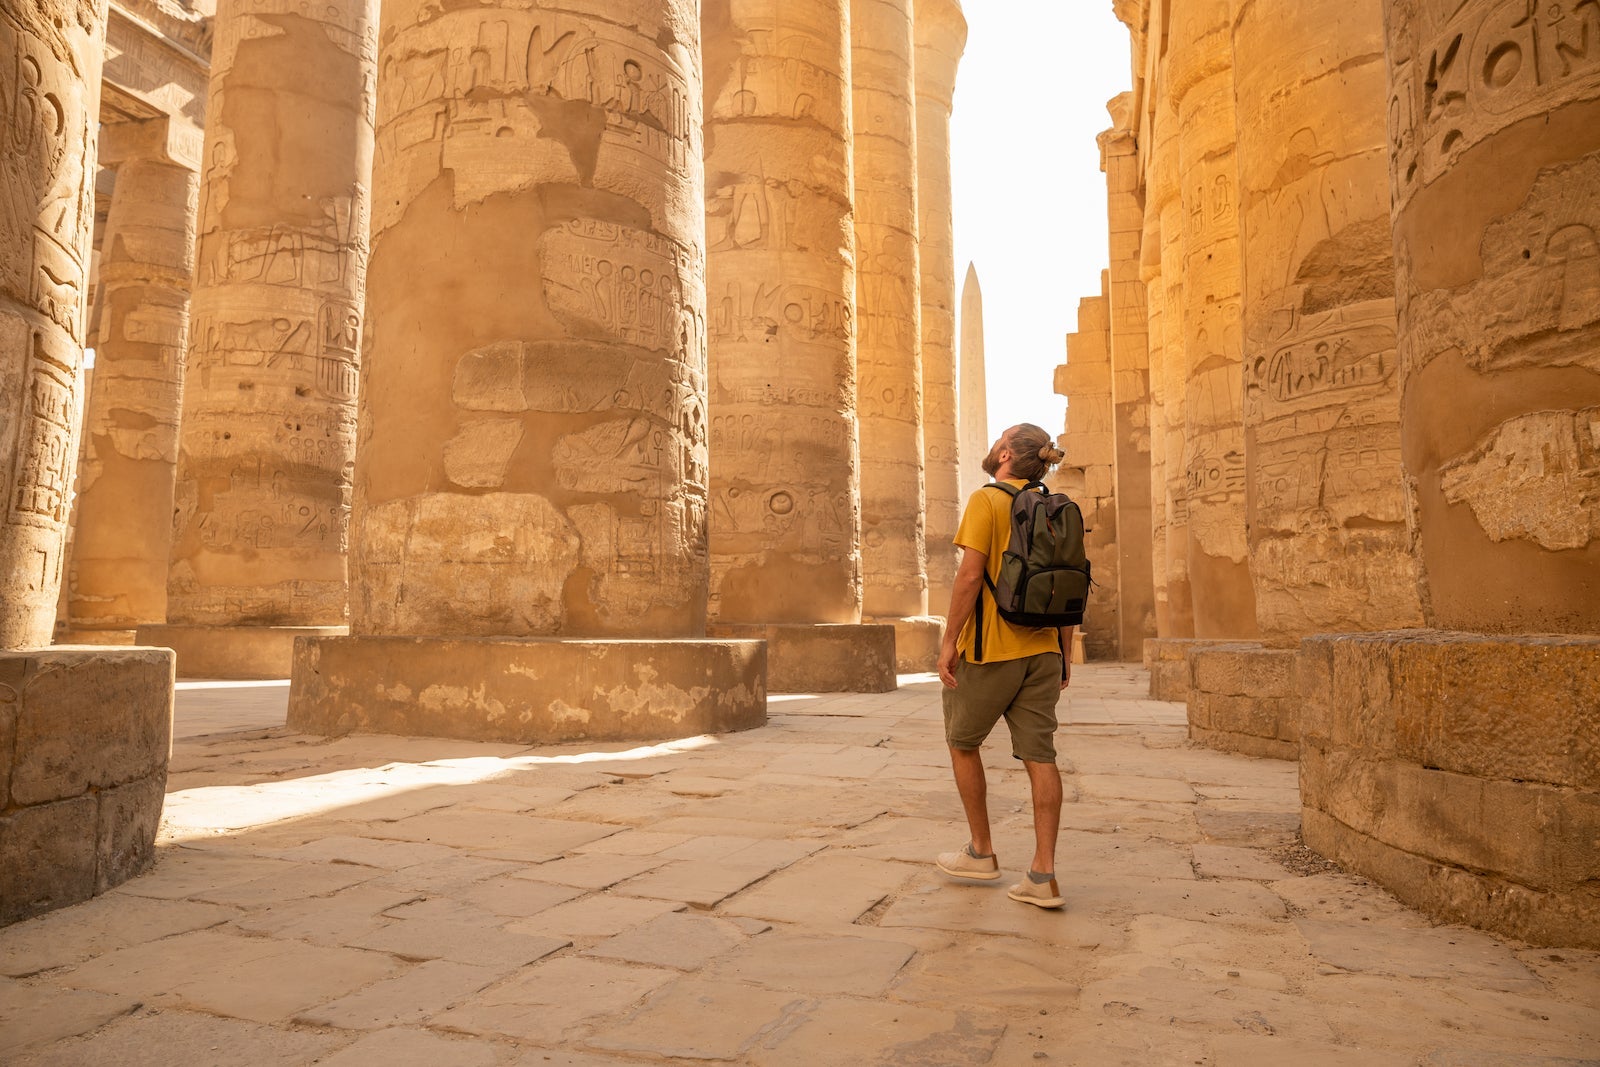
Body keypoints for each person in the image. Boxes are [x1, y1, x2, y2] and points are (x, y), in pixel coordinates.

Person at [934, 423, 1074, 908]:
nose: (994, 443)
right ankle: (1043, 875)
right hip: (1043, 650)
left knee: (962, 743)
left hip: (990, 650)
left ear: (1007, 454)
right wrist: (1064, 653)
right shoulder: (1054, 507)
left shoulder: (987, 500)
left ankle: (981, 851)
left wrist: (949, 641)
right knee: (1041, 758)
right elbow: (1066, 583)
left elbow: (970, 577)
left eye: (1000, 439)